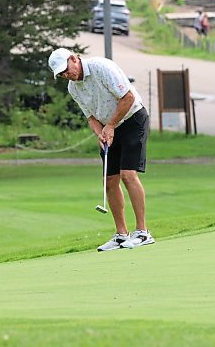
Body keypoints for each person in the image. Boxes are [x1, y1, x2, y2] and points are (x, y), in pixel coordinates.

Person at [48, 48, 154, 252]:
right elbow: (90, 117)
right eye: (61, 74)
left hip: (133, 120)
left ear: (74, 58)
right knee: (110, 180)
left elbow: (128, 98)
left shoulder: (101, 67)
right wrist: (101, 133)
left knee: (127, 174)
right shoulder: (73, 88)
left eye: (65, 69)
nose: (66, 75)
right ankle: (121, 235)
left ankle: (142, 232)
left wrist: (111, 126)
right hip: (109, 127)